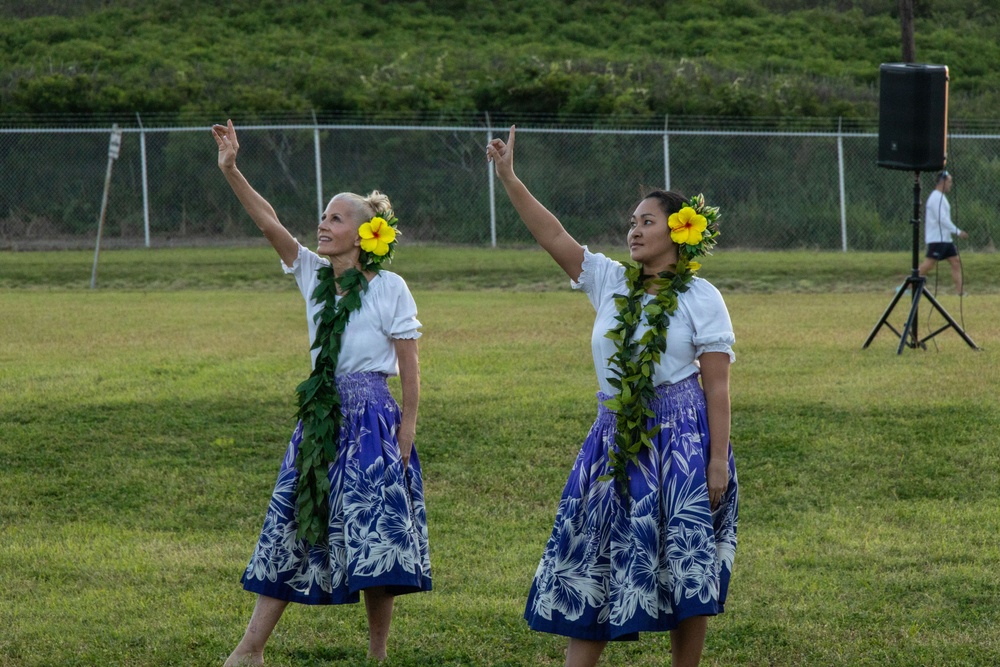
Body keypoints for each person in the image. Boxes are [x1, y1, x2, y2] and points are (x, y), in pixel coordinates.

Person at [487, 127, 738, 667]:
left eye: (647, 221)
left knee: (682, 562)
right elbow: (552, 234)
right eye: (632, 222)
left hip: (680, 441)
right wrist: (509, 178)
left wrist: (717, 461)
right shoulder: (609, 281)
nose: (634, 231)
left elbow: (717, 386)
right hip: (612, 438)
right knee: (594, 555)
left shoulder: (702, 297)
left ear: (680, 230)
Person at [211, 119, 431, 666]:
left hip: (373, 420)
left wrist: (406, 431)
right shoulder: (311, 274)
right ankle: (250, 650)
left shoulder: (390, 288)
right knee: (289, 522)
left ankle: (377, 654)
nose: (323, 224)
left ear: (364, 232)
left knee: (375, 536)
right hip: (320, 417)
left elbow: (409, 366)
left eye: (336, 218)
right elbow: (268, 221)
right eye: (323, 216)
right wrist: (232, 169)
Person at [918, 170, 968, 295]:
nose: (951, 184)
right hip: (937, 239)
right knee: (928, 265)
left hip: (945, 239)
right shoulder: (935, 198)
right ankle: (907, 286)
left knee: (955, 262)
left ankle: (960, 292)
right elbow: (942, 219)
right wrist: (958, 231)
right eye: (949, 181)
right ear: (943, 182)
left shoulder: (941, 197)